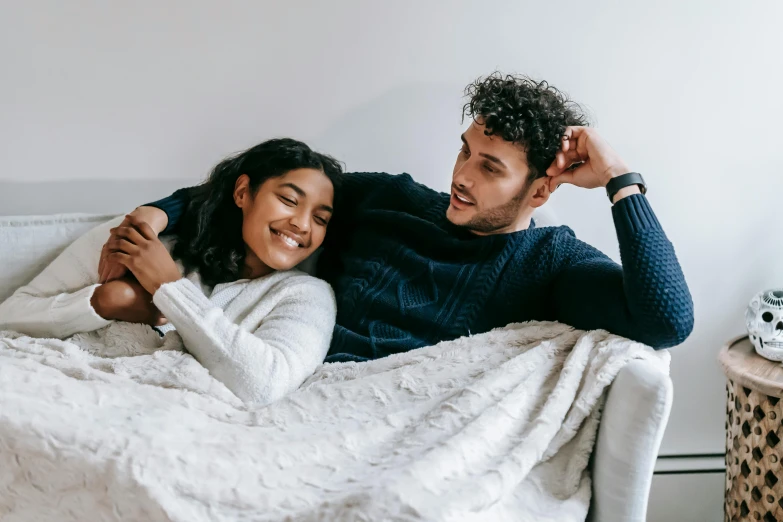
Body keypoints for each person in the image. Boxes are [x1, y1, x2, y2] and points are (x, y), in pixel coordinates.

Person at [99, 73, 694, 362]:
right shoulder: (390, 199)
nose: (461, 174)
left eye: (490, 168)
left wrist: (622, 180)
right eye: (465, 150)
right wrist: (157, 211)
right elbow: (264, 184)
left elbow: (666, 321)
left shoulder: (550, 264)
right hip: (279, 372)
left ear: (539, 191)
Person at [0, 138, 341, 404]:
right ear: (242, 193)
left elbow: (264, 385)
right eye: (289, 200)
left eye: (320, 218)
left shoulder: (307, 296)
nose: (302, 224)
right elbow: (10, 317)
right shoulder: (136, 242)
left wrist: (169, 287)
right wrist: (104, 301)